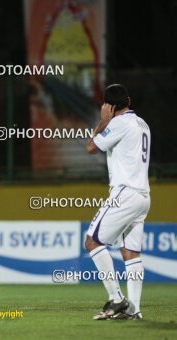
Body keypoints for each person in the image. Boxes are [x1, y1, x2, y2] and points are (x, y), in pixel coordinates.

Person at [85, 84, 151, 320]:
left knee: (92, 241)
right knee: (130, 253)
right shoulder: (142, 124)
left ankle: (116, 299)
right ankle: (134, 310)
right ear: (129, 101)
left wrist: (103, 121)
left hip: (125, 193)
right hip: (143, 195)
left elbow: (92, 147)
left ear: (109, 107)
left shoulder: (118, 123)